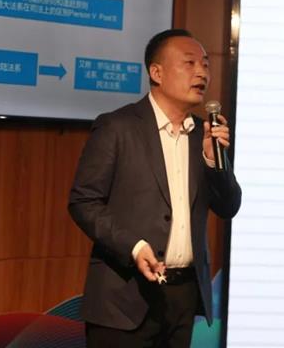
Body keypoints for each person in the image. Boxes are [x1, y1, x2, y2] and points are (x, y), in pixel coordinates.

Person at [68, 29, 242, 347]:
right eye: (189, 63)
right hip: (123, 298)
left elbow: (228, 206)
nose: (202, 72)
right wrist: (133, 247)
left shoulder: (203, 135)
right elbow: (84, 201)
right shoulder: (117, 126)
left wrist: (213, 161)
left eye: (205, 64)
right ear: (157, 73)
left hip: (183, 298)